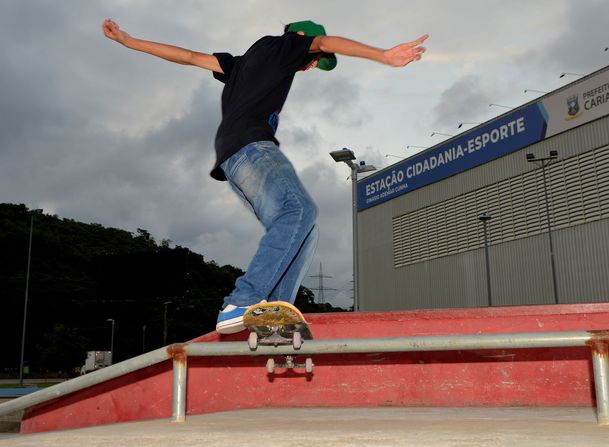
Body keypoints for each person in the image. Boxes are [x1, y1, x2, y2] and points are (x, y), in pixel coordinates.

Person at [102, 18, 427, 334]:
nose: (312, 66)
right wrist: (382, 55)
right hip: (252, 148)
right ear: (302, 38)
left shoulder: (240, 64)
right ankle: (242, 302)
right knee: (300, 210)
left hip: (232, 160)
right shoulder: (287, 44)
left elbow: (188, 56)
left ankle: (273, 313)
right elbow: (327, 42)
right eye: (314, 60)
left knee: (304, 229)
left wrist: (129, 41)